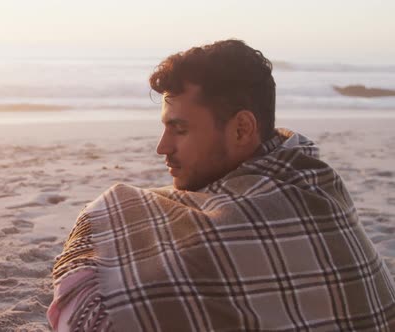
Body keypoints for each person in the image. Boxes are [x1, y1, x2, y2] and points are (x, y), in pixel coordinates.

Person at [47, 39, 395, 331]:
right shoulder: (312, 177)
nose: (162, 147)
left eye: (180, 130)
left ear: (242, 129)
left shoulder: (302, 195)